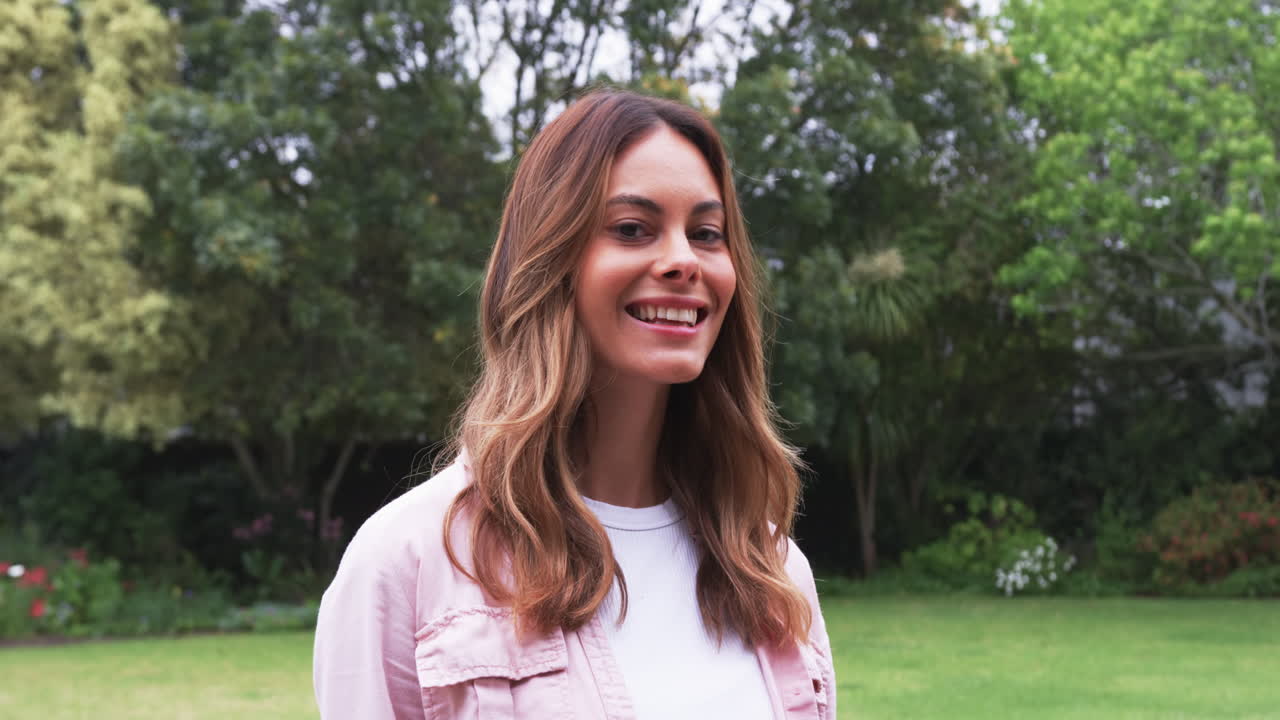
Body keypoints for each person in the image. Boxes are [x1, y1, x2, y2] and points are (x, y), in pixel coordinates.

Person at [313, 87, 836, 720]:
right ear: (549, 261)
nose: (681, 261)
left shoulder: (773, 569)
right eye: (631, 229)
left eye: (706, 233)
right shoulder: (406, 563)